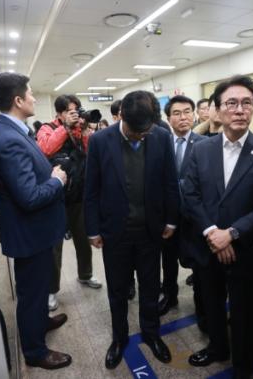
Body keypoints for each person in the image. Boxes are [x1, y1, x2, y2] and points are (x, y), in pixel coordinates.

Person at [183, 75, 253, 379]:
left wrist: (232, 234)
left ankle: (243, 364)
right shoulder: (201, 149)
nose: (239, 110)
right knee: (211, 304)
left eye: (246, 103)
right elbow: (191, 194)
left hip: (246, 249)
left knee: (246, 312)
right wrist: (212, 233)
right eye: (231, 103)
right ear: (217, 108)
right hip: (207, 246)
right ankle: (217, 347)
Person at [84, 90, 179, 370]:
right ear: (121, 117)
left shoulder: (160, 136)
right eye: (136, 132)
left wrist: (171, 220)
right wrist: (92, 229)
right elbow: (92, 189)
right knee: (117, 290)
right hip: (115, 232)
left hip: (151, 230)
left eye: (145, 132)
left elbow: (170, 181)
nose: (141, 137)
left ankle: (151, 333)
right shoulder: (100, 141)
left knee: (150, 287)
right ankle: (119, 338)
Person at [0, 73, 71, 370]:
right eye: (31, 93)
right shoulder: (8, 140)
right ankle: (35, 351)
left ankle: (40, 321)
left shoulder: (14, 132)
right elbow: (29, 197)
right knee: (32, 292)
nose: (35, 98)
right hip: (30, 233)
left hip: (37, 231)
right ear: (18, 100)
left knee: (37, 287)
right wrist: (56, 180)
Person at [37, 95, 102, 312]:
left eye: (77, 110)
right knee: (54, 246)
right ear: (59, 113)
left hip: (79, 195)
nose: (74, 114)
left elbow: (91, 154)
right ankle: (51, 290)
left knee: (83, 239)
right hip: (55, 197)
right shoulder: (47, 128)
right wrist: (65, 127)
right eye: (69, 111)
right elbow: (45, 149)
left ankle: (86, 274)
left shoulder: (79, 130)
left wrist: (84, 132)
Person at [158, 95, 206, 316]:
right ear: (168, 118)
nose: (183, 117)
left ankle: (201, 299)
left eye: (187, 112)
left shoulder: (205, 144)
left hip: (194, 215)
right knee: (168, 260)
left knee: (197, 260)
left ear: (194, 115)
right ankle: (170, 296)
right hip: (168, 215)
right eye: (176, 113)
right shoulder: (160, 144)